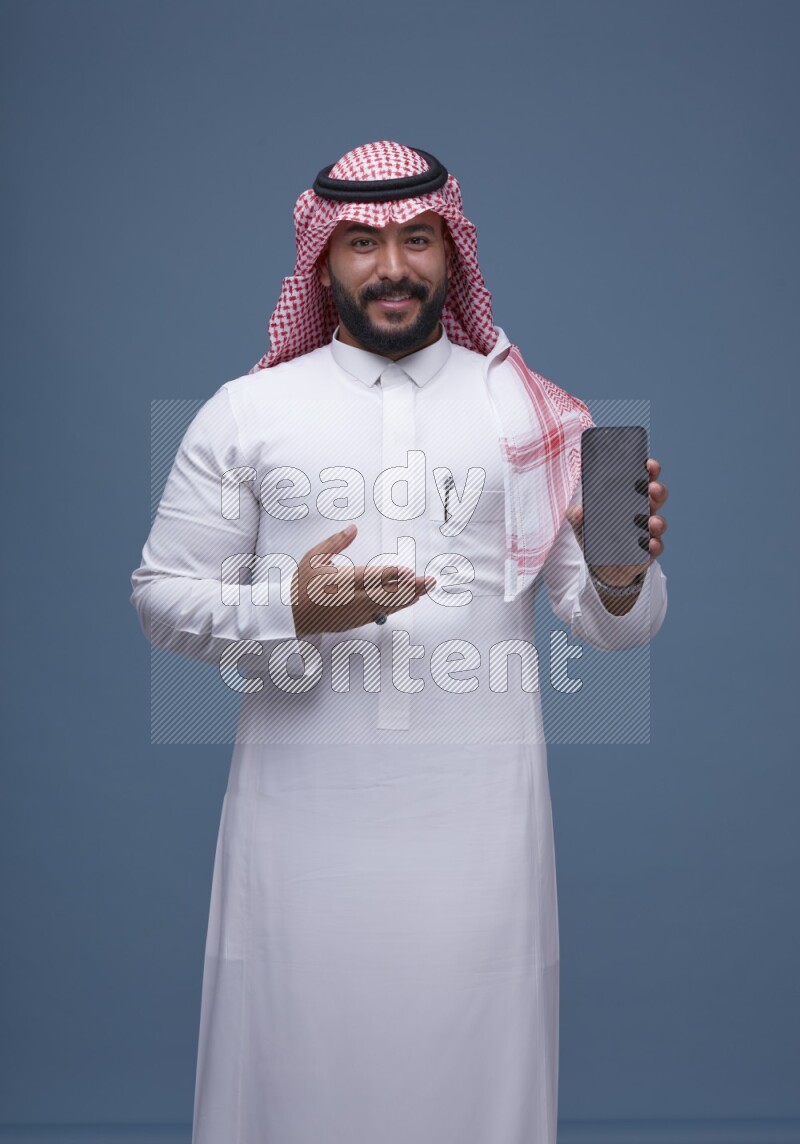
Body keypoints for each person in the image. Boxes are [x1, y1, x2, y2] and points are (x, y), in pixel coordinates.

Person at [130, 141, 668, 1144]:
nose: (391, 267)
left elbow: (606, 628)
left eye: (416, 240)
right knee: (291, 1068)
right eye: (362, 244)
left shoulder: (532, 413)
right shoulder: (247, 413)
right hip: (298, 823)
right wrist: (291, 610)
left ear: (451, 254)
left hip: (479, 826)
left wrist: (621, 573)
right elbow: (161, 600)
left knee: (472, 1071)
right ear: (320, 262)